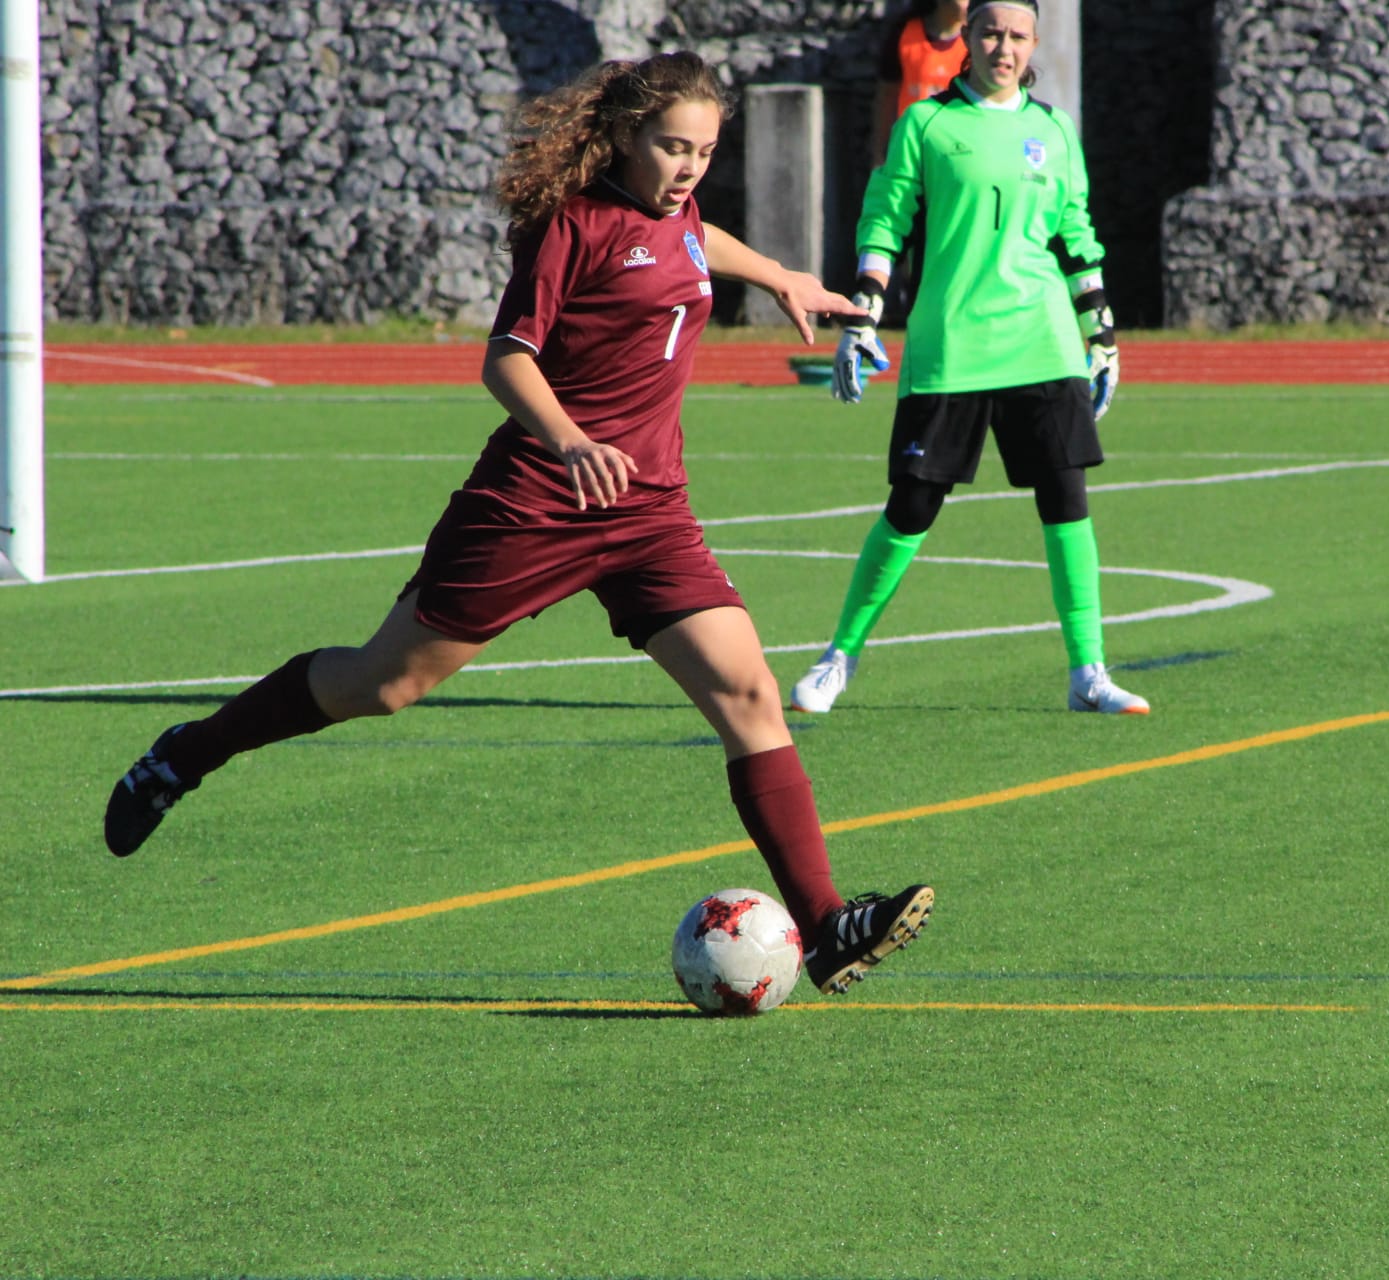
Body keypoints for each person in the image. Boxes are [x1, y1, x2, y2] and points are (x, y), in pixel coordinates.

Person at [101, 54, 932, 997]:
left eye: (706, 148)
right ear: (622, 135)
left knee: (749, 696)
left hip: (650, 510)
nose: (691, 165)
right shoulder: (572, 224)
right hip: (535, 502)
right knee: (384, 684)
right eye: (672, 146)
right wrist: (571, 440)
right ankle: (187, 753)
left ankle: (823, 927)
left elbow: (698, 242)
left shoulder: (678, 209)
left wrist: (781, 273)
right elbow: (506, 360)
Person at [790, 0, 1147, 717]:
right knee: (913, 504)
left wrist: (1100, 332)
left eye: (1017, 36)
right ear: (968, 40)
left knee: (1066, 498)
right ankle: (839, 658)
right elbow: (884, 223)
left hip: (1043, 340)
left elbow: (1075, 233)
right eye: (990, 33)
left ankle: (1088, 673)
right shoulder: (926, 124)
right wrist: (862, 314)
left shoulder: (1053, 129)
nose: (1003, 47)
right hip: (952, 342)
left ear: (1034, 42)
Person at [869, 1, 972, 318]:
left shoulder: (977, 40)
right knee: (909, 240)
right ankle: (910, 306)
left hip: (957, 161)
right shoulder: (906, 32)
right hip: (910, 159)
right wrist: (879, 151)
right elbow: (887, 95)